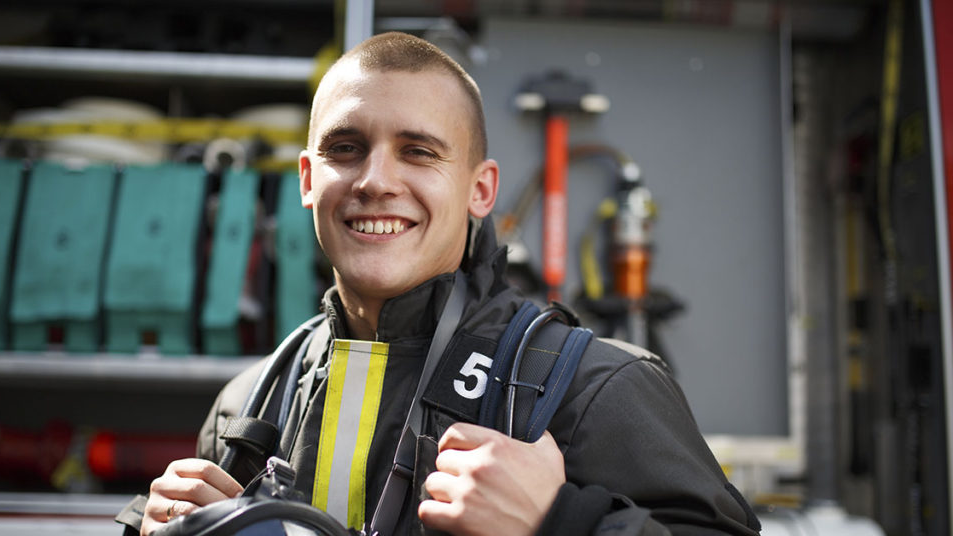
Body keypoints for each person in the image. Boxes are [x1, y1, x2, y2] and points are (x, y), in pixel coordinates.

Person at [118, 32, 761, 536]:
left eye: (419, 152)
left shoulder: (597, 389)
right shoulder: (250, 401)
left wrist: (562, 523)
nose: (374, 180)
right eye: (346, 148)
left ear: (481, 190)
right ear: (308, 180)